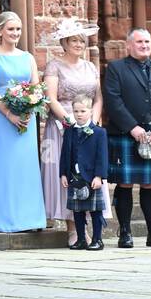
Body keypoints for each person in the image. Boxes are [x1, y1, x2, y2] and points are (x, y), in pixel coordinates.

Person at [103, 28, 151, 248]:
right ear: (128, 45)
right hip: (126, 134)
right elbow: (113, 101)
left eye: (147, 41)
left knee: (150, 184)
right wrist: (132, 128)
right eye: (139, 42)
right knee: (125, 183)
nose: (144, 45)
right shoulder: (116, 68)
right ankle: (125, 233)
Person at [41, 18, 110, 246]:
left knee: (90, 173)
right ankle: (73, 229)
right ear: (64, 42)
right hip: (64, 128)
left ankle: (90, 225)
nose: (79, 44)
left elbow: (98, 97)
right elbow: (50, 97)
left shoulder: (90, 67)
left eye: (81, 40)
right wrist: (70, 122)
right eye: (74, 40)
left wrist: (94, 121)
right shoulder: (54, 65)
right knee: (70, 174)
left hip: (88, 127)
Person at [0, 12, 46, 232]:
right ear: (0, 31)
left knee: (25, 168)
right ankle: (5, 219)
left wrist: (29, 109)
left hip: (26, 118)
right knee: (3, 167)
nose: (15, 33)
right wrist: (10, 114)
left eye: (18, 29)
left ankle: (30, 219)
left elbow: (36, 87)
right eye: (10, 29)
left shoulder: (28, 57)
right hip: (1, 118)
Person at [60, 94, 109, 250]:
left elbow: (102, 156)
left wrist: (99, 176)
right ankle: (81, 239)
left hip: (91, 177)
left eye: (82, 111)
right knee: (77, 210)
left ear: (90, 111)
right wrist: (63, 174)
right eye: (76, 111)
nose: (79, 114)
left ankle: (97, 240)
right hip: (75, 177)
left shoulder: (99, 132)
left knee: (95, 210)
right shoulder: (69, 132)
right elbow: (65, 154)